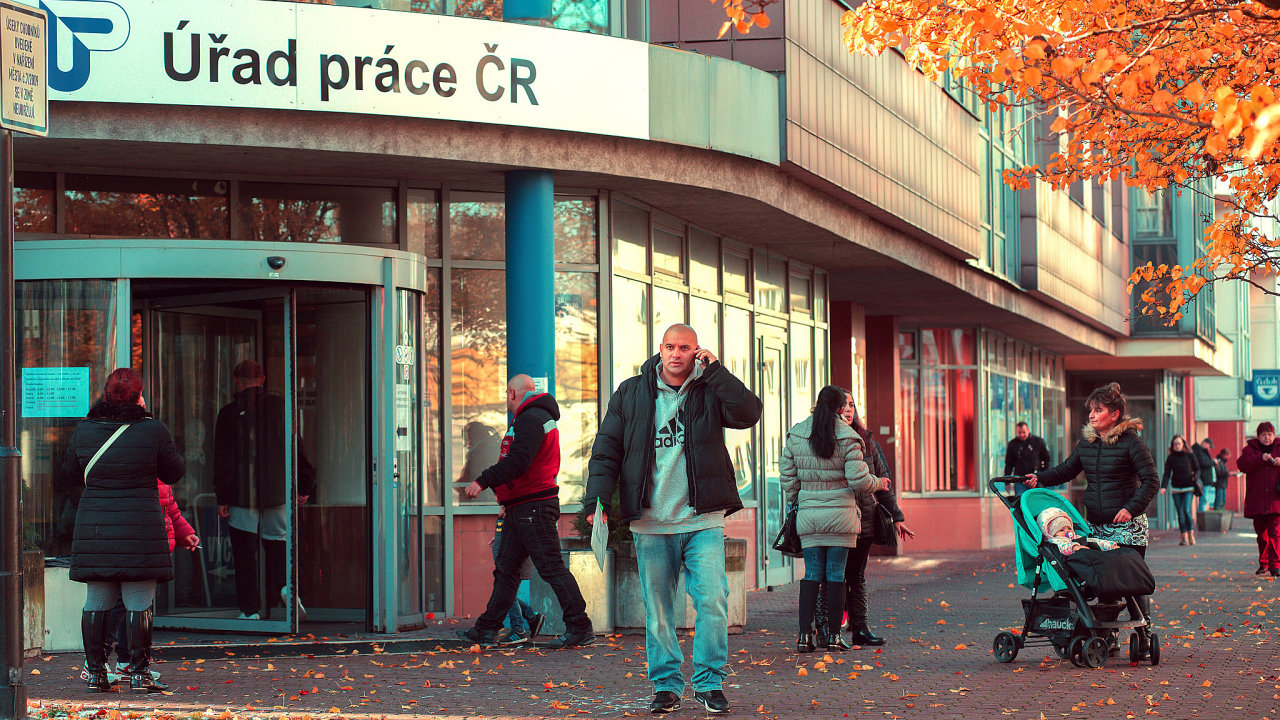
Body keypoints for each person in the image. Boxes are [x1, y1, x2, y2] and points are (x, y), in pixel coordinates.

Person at [583, 323, 761, 715]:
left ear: (696, 351)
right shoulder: (632, 392)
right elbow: (607, 446)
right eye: (670, 347)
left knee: (713, 600)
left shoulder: (711, 388)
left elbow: (749, 413)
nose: (676, 354)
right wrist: (598, 499)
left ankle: (709, 683)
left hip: (702, 520)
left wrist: (716, 371)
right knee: (658, 608)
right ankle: (666, 685)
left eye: (685, 348)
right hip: (651, 522)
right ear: (659, 349)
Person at [66, 368, 185, 694]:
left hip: (96, 527)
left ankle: (96, 673)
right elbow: (174, 472)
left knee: (96, 601)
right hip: (140, 526)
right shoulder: (153, 430)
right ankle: (138, 673)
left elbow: (69, 475)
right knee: (139, 602)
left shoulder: (85, 430)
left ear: (106, 395)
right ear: (138, 397)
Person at [456, 374, 594, 649]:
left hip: (533, 507)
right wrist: (507, 498)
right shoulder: (533, 418)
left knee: (550, 568)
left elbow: (518, 462)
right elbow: (522, 466)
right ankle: (486, 629)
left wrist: (483, 480)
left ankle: (580, 626)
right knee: (507, 571)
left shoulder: (531, 419)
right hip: (522, 507)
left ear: (511, 394)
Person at [1024, 382, 1160, 632]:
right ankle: (1107, 639)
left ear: (1115, 414)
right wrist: (1040, 477)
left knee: (1128, 580)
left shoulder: (1132, 443)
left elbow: (1152, 481)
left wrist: (1130, 508)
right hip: (1098, 526)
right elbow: (1067, 469)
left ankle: (1144, 633)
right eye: (1091, 410)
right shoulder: (1087, 443)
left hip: (1127, 526)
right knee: (1105, 583)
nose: (1092, 415)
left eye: (1098, 410)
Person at [781, 386, 885, 654]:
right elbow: (858, 480)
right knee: (837, 575)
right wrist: (878, 483)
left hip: (809, 515)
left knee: (812, 575)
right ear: (841, 409)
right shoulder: (849, 437)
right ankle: (834, 637)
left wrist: (802, 497)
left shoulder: (797, 433)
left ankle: (805, 636)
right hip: (841, 516)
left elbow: (787, 477)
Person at [213, 360, 316, 621]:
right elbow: (297, 448)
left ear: (236, 379)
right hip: (277, 491)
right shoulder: (281, 408)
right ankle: (285, 588)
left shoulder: (228, 413)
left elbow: (223, 459)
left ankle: (250, 611)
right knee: (279, 543)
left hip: (241, 493)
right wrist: (304, 486)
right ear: (263, 379)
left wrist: (222, 496)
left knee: (245, 551)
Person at [842, 392, 913, 647]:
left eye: (851, 405)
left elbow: (884, 480)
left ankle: (860, 629)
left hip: (865, 520)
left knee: (857, 575)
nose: (849, 410)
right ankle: (828, 630)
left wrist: (896, 516)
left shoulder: (867, 440)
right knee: (834, 575)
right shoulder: (825, 442)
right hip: (837, 520)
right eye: (843, 406)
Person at [490, 510, 543, 646]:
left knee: (505, 589)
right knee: (505, 590)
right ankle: (531, 617)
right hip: (507, 541)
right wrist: (500, 536)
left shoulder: (516, 506)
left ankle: (518, 628)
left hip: (512, 552)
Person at [1236, 422, 1280, 577]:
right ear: (1258, 436)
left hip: (1276, 500)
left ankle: (1276, 566)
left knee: (1275, 533)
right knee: (1262, 535)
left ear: (1274, 435)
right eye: (1263, 435)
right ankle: (1264, 564)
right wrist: (1260, 458)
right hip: (1258, 501)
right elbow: (1242, 465)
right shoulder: (1250, 449)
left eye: (1269, 434)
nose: (1267, 438)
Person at [1160, 434, 1200, 546]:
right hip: (1176, 488)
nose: (1176, 446)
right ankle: (1184, 537)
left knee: (1186, 510)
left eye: (1178, 444)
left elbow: (1197, 469)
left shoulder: (1190, 455)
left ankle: (1191, 534)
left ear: (1183, 444)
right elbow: (1167, 473)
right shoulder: (1171, 458)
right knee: (1180, 513)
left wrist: (1195, 477)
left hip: (1188, 487)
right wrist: (1163, 486)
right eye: (1175, 444)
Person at [1037, 507, 1119, 556]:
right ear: (1052, 534)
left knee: (1091, 541)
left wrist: (1109, 546)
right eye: (1061, 530)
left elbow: (1092, 541)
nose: (1067, 531)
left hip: (1085, 555)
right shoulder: (1055, 540)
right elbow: (1063, 546)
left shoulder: (1076, 537)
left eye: (1069, 528)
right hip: (1072, 560)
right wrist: (1075, 547)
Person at [1004, 422, 1051, 496]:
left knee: (1038, 500)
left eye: (1024, 432)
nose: (1022, 435)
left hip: (1036, 479)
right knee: (1021, 501)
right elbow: (1009, 464)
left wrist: (1044, 475)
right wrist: (1007, 482)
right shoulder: (1012, 444)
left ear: (1028, 430)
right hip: (1020, 480)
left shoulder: (1038, 442)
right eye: (1019, 433)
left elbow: (1047, 459)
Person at [1193, 438, 1216, 512]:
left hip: (1206, 480)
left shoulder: (1203, 452)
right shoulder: (1199, 451)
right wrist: (1213, 462)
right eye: (1209, 446)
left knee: (1204, 501)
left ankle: (1202, 518)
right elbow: (1203, 463)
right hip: (1204, 479)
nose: (1209, 449)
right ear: (1205, 443)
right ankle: (1202, 520)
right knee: (1204, 500)